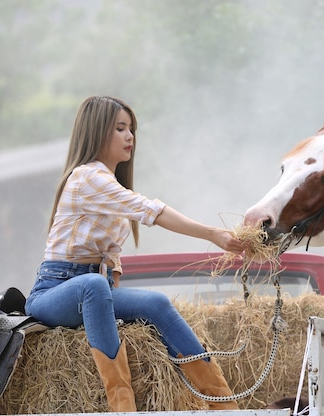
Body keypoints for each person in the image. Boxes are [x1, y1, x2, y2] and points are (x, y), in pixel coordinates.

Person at [25, 96, 244, 412]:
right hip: (53, 293)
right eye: (120, 129)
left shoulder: (109, 185)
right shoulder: (88, 177)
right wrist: (213, 233)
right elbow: (150, 210)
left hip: (94, 292)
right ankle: (122, 406)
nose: (130, 137)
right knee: (95, 286)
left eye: (132, 129)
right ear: (97, 132)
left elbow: (110, 258)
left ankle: (222, 401)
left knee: (156, 303)